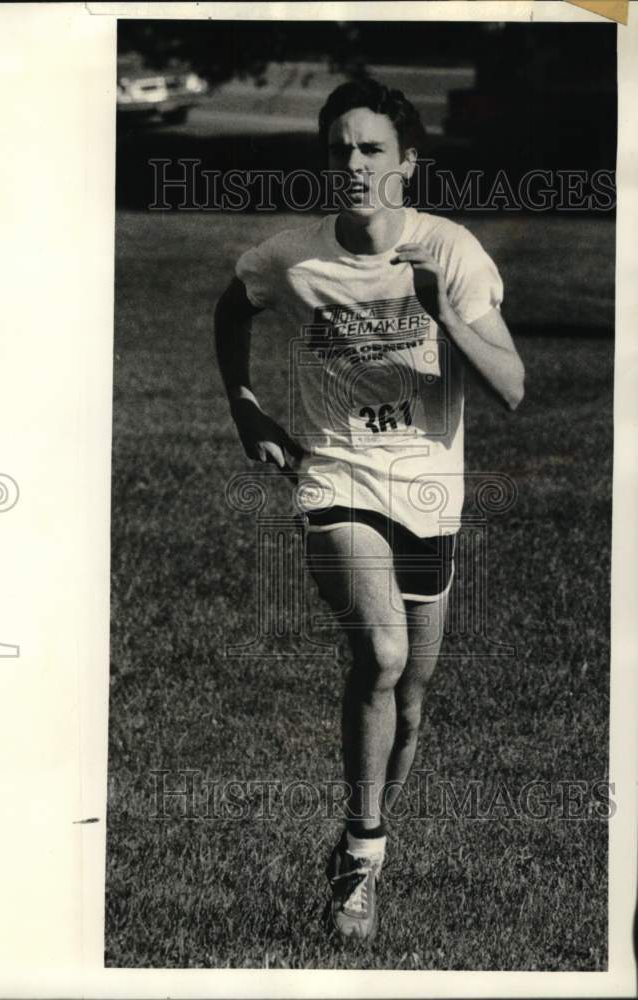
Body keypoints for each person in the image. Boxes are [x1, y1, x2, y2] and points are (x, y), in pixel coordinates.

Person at [214, 78, 525, 942]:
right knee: (381, 653)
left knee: (413, 697)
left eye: (370, 149)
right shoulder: (291, 255)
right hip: (337, 480)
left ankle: (363, 838)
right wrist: (245, 406)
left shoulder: (452, 252)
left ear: (407, 162)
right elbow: (232, 305)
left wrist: (441, 316)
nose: (351, 164)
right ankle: (362, 863)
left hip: (429, 490)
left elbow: (510, 388)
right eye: (338, 149)